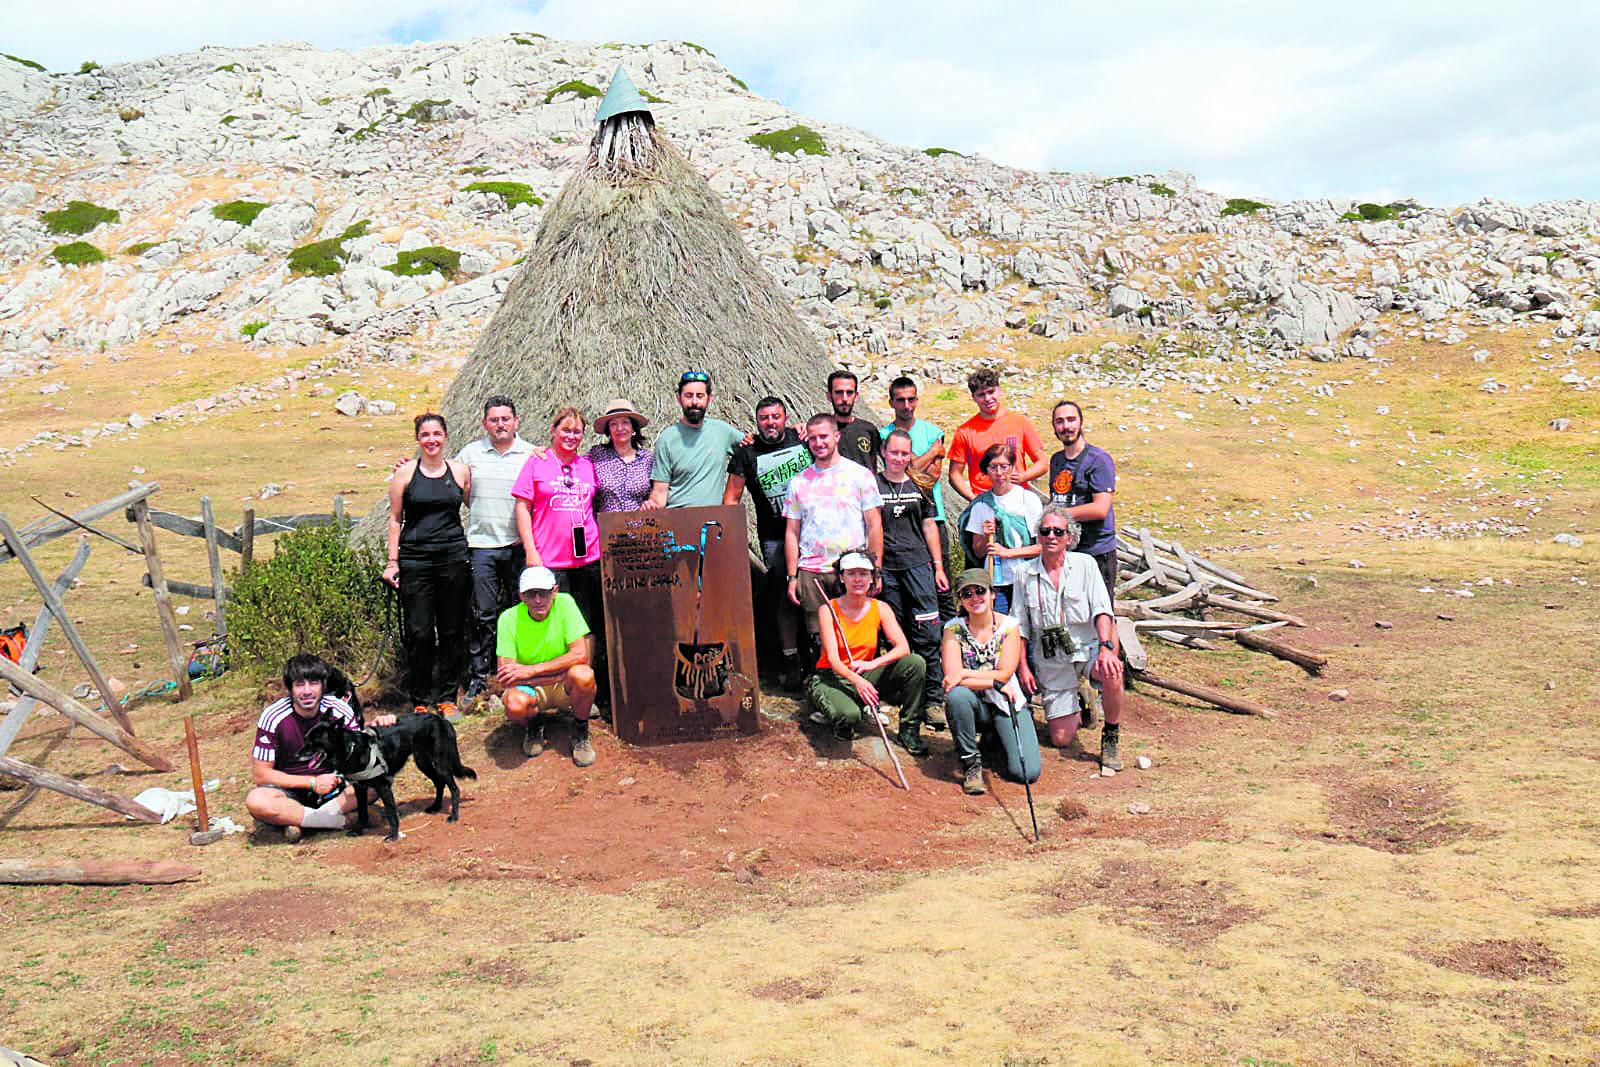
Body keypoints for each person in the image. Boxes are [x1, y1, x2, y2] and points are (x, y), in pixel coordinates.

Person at [1012, 509, 1127, 770]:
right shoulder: (1023, 573)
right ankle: (1082, 701)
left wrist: (1106, 649)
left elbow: (1102, 610)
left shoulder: (1085, 564)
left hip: (1088, 647)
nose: (1051, 536)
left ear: (1069, 537)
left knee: (1111, 672)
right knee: (1061, 739)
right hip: (1052, 657)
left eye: (1058, 531)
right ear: (1038, 537)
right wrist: (1023, 667)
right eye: (1045, 531)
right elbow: (1020, 625)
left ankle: (1111, 734)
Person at [244, 654, 396, 841]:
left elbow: (360, 753)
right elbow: (261, 775)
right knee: (257, 801)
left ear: (323, 685)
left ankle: (301, 821)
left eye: (314, 683)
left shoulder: (339, 709)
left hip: (335, 787)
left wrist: (377, 728)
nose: (307, 691)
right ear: (290, 688)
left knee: (375, 781)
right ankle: (339, 821)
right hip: (290, 789)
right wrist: (313, 783)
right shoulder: (272, 716)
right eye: (300, 684)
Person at [383, 412, 471, 718]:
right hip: (415, 560)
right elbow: (395, 520)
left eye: (436, 434)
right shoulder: (405, 474)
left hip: (453, 559)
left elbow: (474, 504)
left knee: (451, 630)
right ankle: (419, 698)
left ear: (445, 436)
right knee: (419, 631)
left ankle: (447, 697)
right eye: (425, 435)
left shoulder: (460, 472)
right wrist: (393, 562)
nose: (431, 440)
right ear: (418, 439)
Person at [456, 396, 536, 710]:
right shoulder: (470, 454)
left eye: (506, 419)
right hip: (482, 548)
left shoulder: (531, 454)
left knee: (524, 612)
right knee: (483, 614)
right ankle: (481, 677)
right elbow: (460, 489)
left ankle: (523, 675)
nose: (500, 424)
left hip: (518, 548)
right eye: (494, 419)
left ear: (516, 421)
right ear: (484, 423)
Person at [724, 396, 810, 687]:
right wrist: (731, 537)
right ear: (757, 421)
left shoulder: (804, 441)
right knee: (784, 598)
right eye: (764, 418)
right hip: (774, 538)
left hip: (813, 533)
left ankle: (821, 658)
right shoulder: (746, 453)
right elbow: (731, 498)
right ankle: (791, 660)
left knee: (816, 594)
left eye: (776, 416)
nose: (770, 422)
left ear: (785, 418)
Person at [783, 413, 883, 664]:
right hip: (811, 571)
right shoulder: (798, 482)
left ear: (836, 437)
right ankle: (825, 690)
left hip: (853, 570)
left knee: (856, 632)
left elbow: (874, 525)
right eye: (813, 438)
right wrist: (793, 576)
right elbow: (792, 533)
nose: (818, 443)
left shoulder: (860, 475)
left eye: (824, 437)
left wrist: (876, 570)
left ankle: (860, 688)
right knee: (818, 638)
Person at [806, 551, 926, 752]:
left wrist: (872, 665)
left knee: (915, 663)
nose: (858, 579)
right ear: (842, 578)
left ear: (872, 578)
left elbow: (903, 647)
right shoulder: (828, 610)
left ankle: (909, 731)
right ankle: (837, 710)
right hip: (833, 676)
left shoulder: (881, 608)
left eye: (863, 574)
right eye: (851, 573)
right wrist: (858, 682)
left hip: (864, 671)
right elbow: (834, 660)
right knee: (849, 717)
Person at [942, 569, 1038, 795]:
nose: (975, 598)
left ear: (992, 594)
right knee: (957, 697)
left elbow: (1003, 674)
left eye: (980, 591)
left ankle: (994, 741)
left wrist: (965, 675)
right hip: (973, 704)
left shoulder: (1010, 627)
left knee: (1026, 772)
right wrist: (992, 680)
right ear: (961, 600)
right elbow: (950, 678)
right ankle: (970, 763)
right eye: (967, 594)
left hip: (1006, 701)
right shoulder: (952, 629)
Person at [512, 407, 603, 639]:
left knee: (586, 620)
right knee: (554, 621)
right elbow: (522, 507)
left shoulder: (587, 465)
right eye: (566, 430)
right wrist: (530, 551)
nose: (571, 436)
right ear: (553, 430)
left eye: (577, 431)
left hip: (588, 555)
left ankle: (586, 672)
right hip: (549, 557)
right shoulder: (536, 462)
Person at [876, 428, 947, 719]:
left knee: (927, 631)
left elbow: (930, 527)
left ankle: (933, 699)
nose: (899, 458)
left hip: (918, 565)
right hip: (887, 569)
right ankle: (907, 694)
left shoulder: (921, 485)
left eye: (905, 453)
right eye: (894, 452)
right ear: (884, 452)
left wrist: (939, 567)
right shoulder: (872, 485)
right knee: (897, 632)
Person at [496, 566, 597, 767]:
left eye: (543, 593)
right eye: (531, 594)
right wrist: (559, 673)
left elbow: (581, 654)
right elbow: (507, 676)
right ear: (521, 596)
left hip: (558, 684)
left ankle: (580, 731)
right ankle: (533, 725)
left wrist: (531, 670)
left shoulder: (566, 604)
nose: (538, 600)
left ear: (555, 591)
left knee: (584, 676)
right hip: (534, 688)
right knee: (514, 704)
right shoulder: (508, 619)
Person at [883, 375, 954, 620]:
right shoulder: (884, 434)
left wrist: (912, 462)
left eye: (911, 399)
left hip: (933, 516)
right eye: (900, 400)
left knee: (942, 585)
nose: (906, 405)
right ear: (891, 402)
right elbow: (905, 470)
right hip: (898, 520)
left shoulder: (933, 431)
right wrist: (931, 452)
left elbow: (931, 477)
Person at [1047, 400, 1120, 608]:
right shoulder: (1056, 460)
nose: (1066, 426)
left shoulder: (1099, 459)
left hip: (1097, 550)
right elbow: (1057, 498)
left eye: (1071, 420)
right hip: (1067, 550)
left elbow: (1100, 508)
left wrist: (1060, 515)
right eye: (1059, 422)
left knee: (1102, 613)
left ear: (1081, 423)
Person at [963, 443, 1042, 614]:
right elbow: (977, 552)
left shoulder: (1028, 500)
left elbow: (1042, 547)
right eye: (993, 467)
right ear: (987, 470)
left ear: (1013, 467)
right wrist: (985, 536)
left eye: (1004, 467)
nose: (999, 473)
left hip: (1026, 578)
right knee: (1000, 629)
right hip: (995, 581)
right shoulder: (981, 505)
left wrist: (1008, 553)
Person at [947, 368, 1047, 501]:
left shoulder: (1020, 422)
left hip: (1018, 498)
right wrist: (974, 499)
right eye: (981, 395)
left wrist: (1023, 477)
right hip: (984, 499)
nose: (988, 398)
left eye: (991, 392)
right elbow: (955, 474)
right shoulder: (964, 432)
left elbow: (1043, 463)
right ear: (973, 398)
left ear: (1000, 390)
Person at [647, 371, 744, 509]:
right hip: (677, 522)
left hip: (712, 524)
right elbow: (660, 491)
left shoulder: (723, 431)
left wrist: (732, 495)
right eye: (688, 396)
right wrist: (651, 506)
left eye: (700, 396)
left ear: (709, 398)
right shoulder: (666, 439)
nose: (694, 402)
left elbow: (751, 449)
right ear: (678, 398)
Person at [587, 397, 654, 515]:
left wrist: (650, 504)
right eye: (613, 424)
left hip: (640, 530)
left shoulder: (648, 460)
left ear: (633, 427)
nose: (619, 428)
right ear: (608, 429)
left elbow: (659, 493)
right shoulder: (596, 455)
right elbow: (572, 464)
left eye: (625, 422)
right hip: (605, 531)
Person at [827, 369, 880, 472]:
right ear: (829, 396)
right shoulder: (821, 431)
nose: (845, 398)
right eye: (839, 392)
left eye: (849, 393)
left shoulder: (869, 429)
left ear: (856, 396)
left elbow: (873, 466)